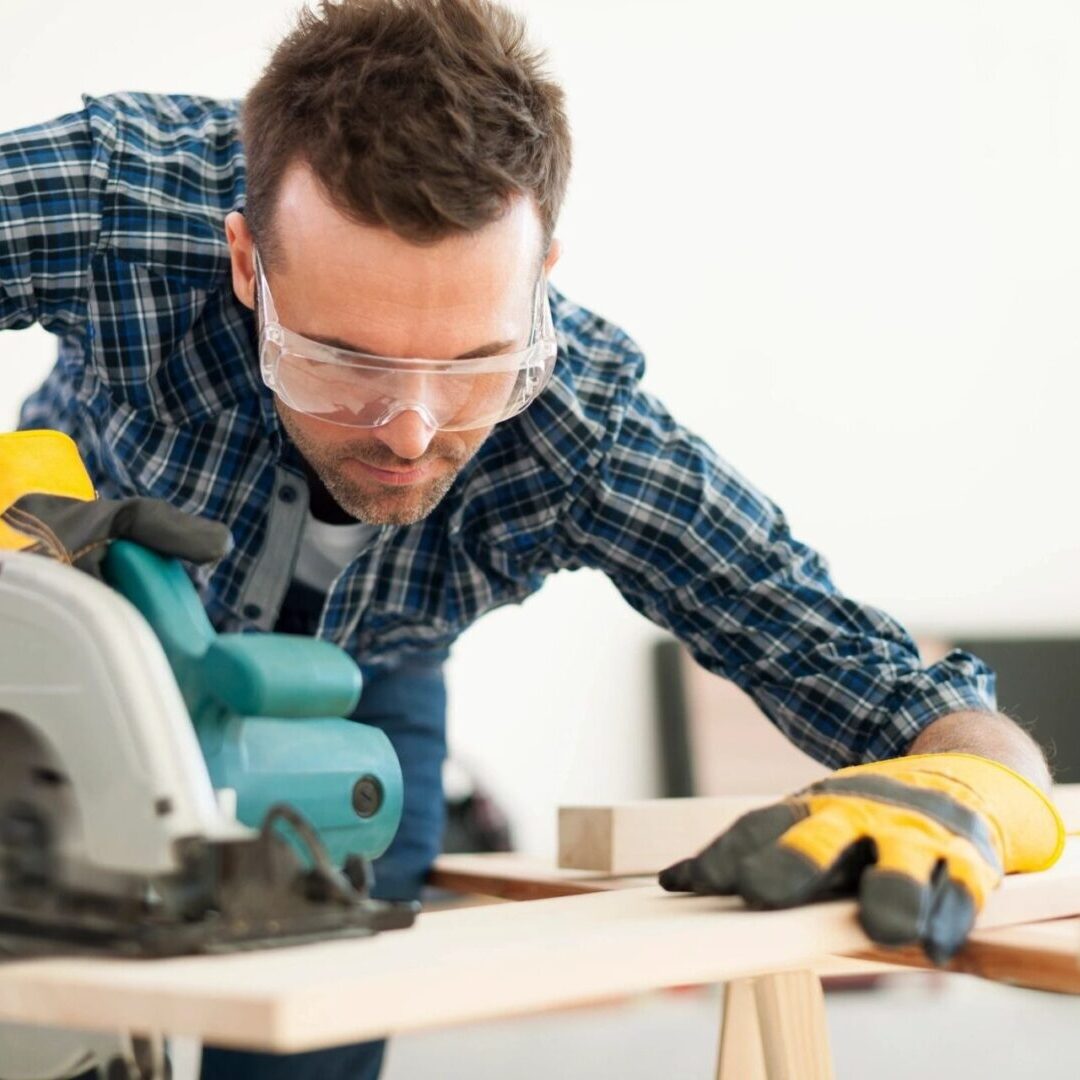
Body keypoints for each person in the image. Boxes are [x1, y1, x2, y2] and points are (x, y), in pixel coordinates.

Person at [0, 1, 1061, 1077]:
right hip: (65, 649)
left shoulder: (581, 435)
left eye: (473, 366)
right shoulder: (123, 201)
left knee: (292, 1044)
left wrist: (963, 796)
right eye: (341, 359)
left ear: (541, 271)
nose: (410, 430)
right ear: (244, 261)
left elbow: (891, 689)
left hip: (361, 693)